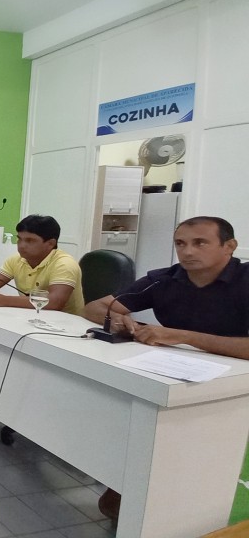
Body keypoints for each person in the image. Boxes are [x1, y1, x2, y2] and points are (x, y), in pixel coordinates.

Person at [83, 216, 249, 526]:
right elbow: (95, 307)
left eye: (200, 243)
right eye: (180, 244)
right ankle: (134, 487)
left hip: (237, 387)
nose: (187, 251)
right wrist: (124, 323)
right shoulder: (165, 279)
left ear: (229, 247)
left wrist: (183, 336)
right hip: (176, 377)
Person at [0, 215, 84, 315]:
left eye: (30, 240)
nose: (21, 245)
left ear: (50, 243)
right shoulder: (16, 260)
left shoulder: (64, 264)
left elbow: (55, 302)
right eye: (19, 239)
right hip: (29, 317)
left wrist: (5, 300)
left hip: (65, 325)